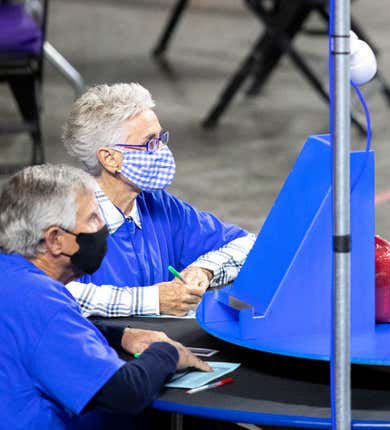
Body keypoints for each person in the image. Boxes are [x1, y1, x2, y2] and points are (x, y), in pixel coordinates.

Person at [0, 164, 211, 429]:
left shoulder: (10, 274)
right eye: (92, 218)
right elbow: (125, 393)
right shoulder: (41, 302)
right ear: (55, 239)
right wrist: (168, 353)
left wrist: (120, 334)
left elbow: (34, 337)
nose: (103, 228)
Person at [62, 83, 256, 317]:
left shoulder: (158, 205)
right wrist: (151, 301)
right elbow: (45, 293)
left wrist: (205, 269)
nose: (162, 150)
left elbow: (248, 244)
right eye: (149, 143)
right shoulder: (67, 219)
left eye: (161, 138)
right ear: (110, 158)